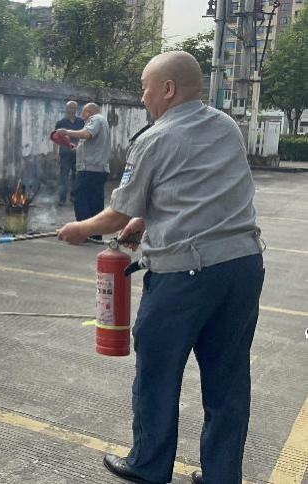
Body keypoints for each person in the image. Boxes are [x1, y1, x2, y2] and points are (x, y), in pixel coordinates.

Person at [56, 51, 264, 484]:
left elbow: (114, 215)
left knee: (158, 370)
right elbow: (196, 189)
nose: (143, 95)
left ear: (167, 89)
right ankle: (222, 477)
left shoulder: (154, 137)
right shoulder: (225, 126)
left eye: (146, 87)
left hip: (186, 275)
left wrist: (80, 228)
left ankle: (149, 465)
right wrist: (143, 222)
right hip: (243, 267)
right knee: (228, 378)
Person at [56, 103, 111, 240]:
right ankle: (95, 235)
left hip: (90, 170)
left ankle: (82, 233)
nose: (82, 116)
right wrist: (75, 148)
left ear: (89, 112)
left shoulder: (96, 119)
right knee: (94, 203)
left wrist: (66, 132)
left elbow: (87, 134)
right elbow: (91, 143)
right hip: (98, 170)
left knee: (81, 200)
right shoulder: (102, 122)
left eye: (83, 112)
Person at [54, 101, 84, 206]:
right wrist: (55, 153)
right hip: (64, 154)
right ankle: (62, 199)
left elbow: (84, 137)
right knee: (64, 176)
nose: (72, 110)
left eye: (74, 108)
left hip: (78, 153)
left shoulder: (81, 122)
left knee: (76, 176)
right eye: (70, 108)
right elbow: (56, 139)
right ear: (66, 109)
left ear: (76, 109)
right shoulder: (61, 123)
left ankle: (73, 196)